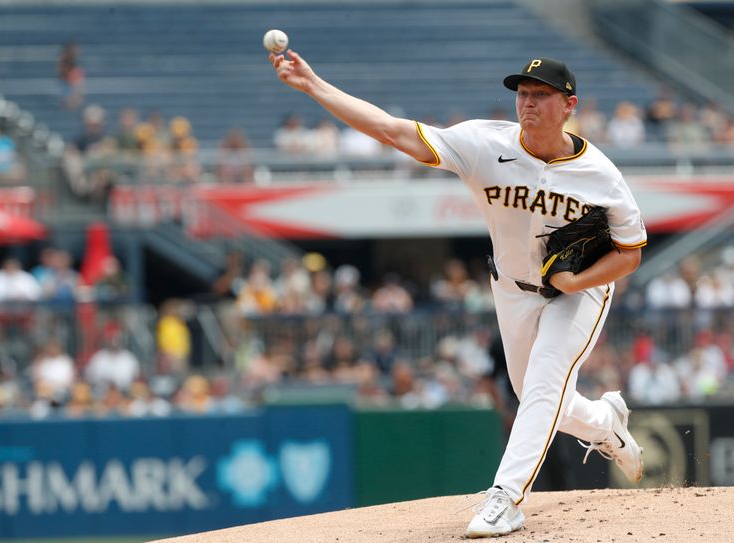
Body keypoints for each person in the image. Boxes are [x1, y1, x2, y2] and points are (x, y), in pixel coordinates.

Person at [271, 51, 646, 538]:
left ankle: (505, 499)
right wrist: (315, 85)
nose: (527, 104)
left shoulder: (601, 175)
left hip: (580, 293)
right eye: (523, 95)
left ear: (569, 105)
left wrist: (578, 281)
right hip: (512, 290)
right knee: (542, 395)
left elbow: (631, 252)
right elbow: (391, 130)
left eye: (541, 96)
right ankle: (604, 423)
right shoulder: (483, 144)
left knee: (543, 383)